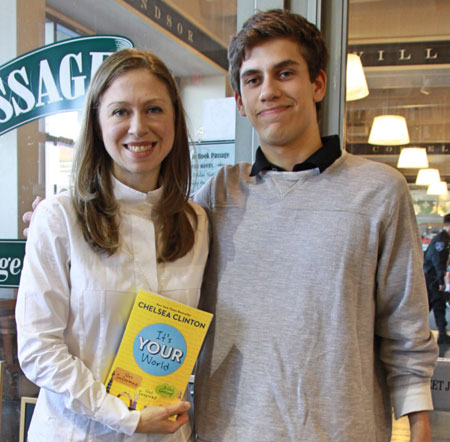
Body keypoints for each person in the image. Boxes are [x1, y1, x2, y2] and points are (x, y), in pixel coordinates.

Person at [191, 9, 438, 442]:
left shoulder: (379, 190)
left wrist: (419, 428)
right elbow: (147, 249)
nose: (269, 90)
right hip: (226, 431)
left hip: (343, 430)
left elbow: (405, 326)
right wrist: (63, 220)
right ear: (240, 102)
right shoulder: (219, 193)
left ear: (317, 83)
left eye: (285, 73)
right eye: (253, 79)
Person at [16, 49, 209, 441]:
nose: (139, 127)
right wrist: (123, 416)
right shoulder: (59, 217)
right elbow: (38, 348)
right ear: (97, 124)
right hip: (77, 433)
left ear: (174, 120)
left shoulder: (197, 222)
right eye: (120, 111)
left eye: (154, 109)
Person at [423, 214, 450, 345]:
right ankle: (413, 334)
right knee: (427, 305)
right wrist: (441, 282)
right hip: (432, 279)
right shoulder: (441, 241)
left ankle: (442, 334)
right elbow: (438, 262)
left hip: (432, 278)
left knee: (439, 306)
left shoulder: (445, 239)